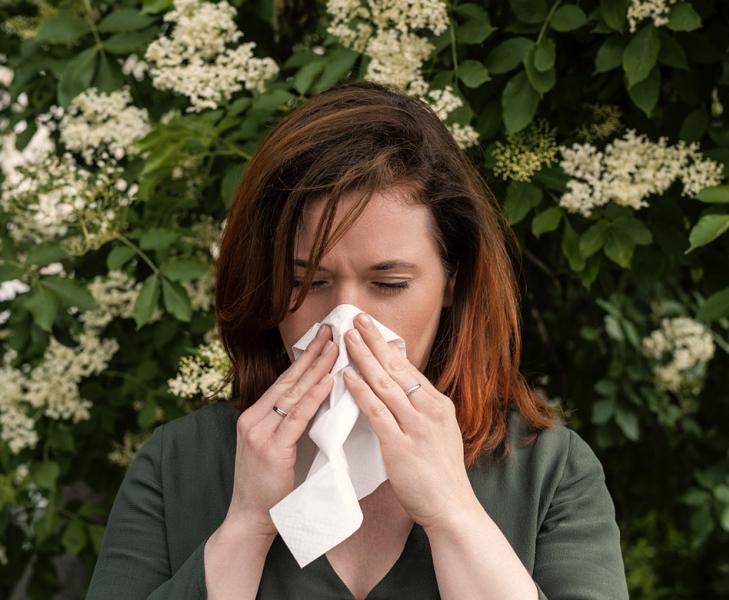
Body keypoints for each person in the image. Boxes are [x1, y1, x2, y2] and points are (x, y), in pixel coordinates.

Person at [85, 80, 629, 599]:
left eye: (389, 284)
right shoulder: (180, 462)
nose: (344, 319)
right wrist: (248, 524)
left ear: (451, 282)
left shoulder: (547, 471)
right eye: (307, 283)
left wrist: (452, 512)